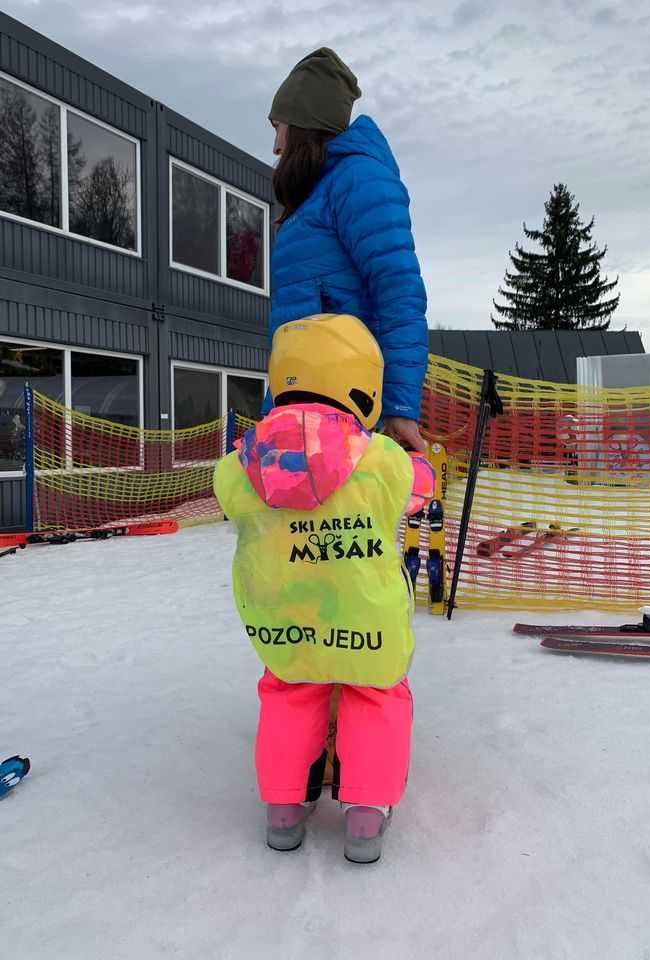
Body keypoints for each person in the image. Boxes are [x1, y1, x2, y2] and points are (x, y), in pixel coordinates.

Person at [214, 313, 434, 863]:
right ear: (362, 385)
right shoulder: (383, 461)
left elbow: (229, 503)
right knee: (375, 697)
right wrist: (417, 454)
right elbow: (422, 488)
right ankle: (364, 818)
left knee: (290, 696)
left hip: (286, 624)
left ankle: (284, 812)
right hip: (367, 622)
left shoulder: (236, 468)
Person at [265, 46, 428, 453]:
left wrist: (400, 405)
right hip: (299, 405)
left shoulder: (359, 178)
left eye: (278, 127)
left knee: (344, 517)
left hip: (344, 410)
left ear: (304, 124)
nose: (275, 145)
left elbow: (398, 290)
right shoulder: (314, 193)